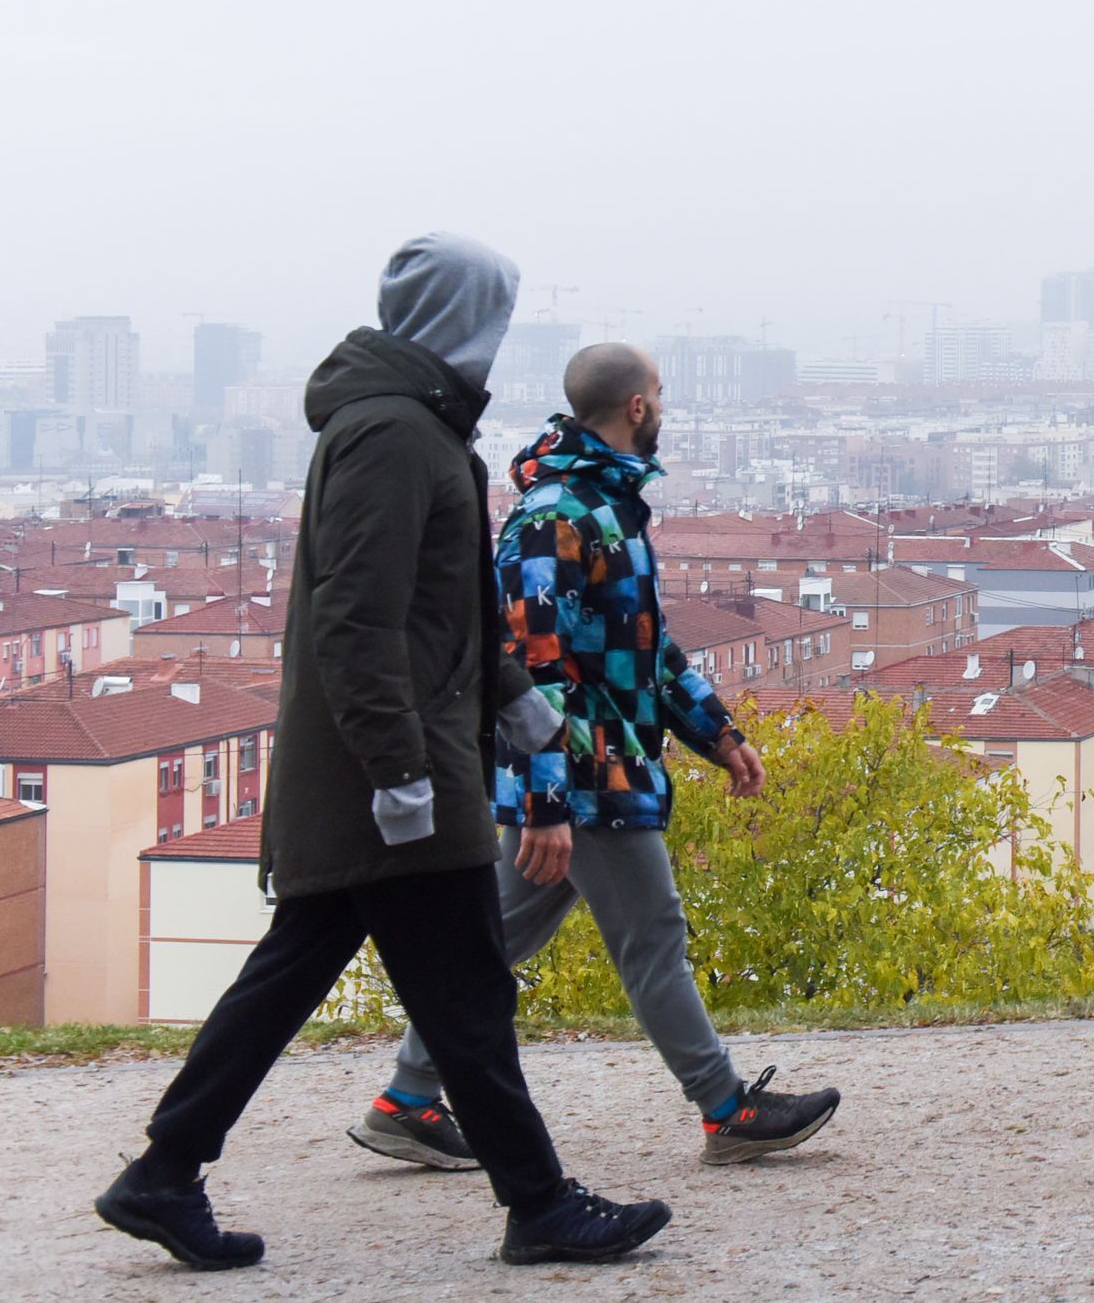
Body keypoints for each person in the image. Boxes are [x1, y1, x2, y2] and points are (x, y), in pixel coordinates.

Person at [96, 235, 671, 1271]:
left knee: (293, 976)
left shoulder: (414, 429)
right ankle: (540, 1207)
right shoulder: (396, 437)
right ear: (466, 324)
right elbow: (356, 624)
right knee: (465, 992)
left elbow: (447, 609)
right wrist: (402, 774)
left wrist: (523, 708)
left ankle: (162, 1174)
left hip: (388, 763)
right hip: (393, 776)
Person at [347, 341, 839, 1175]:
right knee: (653, 934)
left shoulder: (606, 507)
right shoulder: (555, 517)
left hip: (588, 767)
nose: (665, 409)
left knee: (489, 944)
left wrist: (717, 732)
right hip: (587, 772)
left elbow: (644, 645)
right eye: (660, 395)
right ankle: (727, 1108)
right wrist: (548, 797)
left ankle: (405, 1100)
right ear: (638, 406)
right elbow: (528, 667)